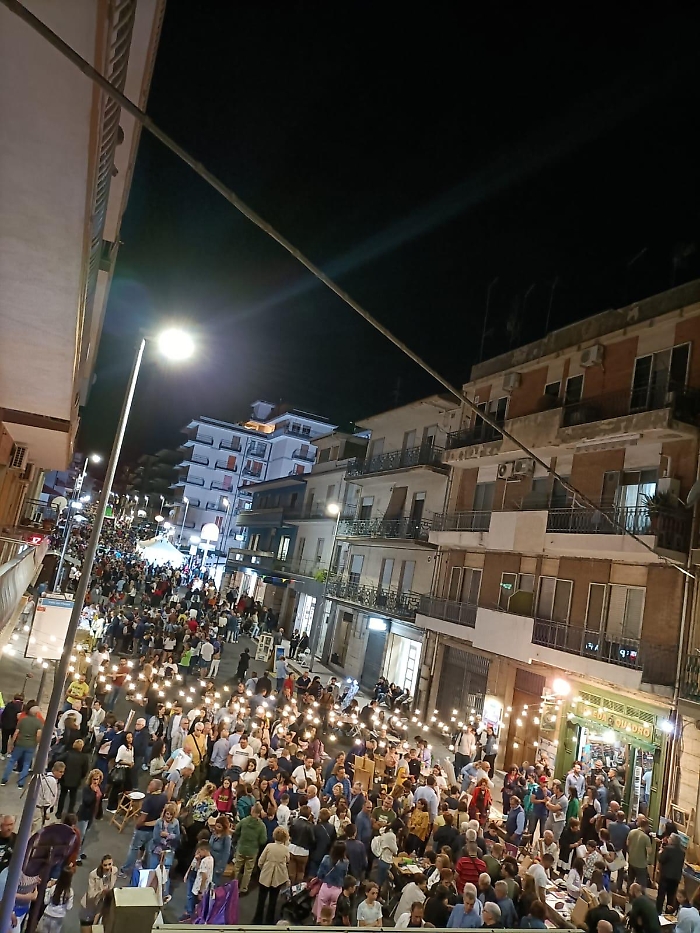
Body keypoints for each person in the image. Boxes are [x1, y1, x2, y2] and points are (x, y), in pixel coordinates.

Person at [120, 778, 167, 875]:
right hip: (154, 830)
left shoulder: (148, 800)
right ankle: (147, 871)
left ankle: (126, 869)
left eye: (150, 785)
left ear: (155, 787)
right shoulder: (164, 798)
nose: (148, 786)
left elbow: (142, 818)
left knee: (134, 849)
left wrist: (138, 825)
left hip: (143, 830)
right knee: (149, 850)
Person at [254, 826, 290, 923]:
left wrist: (264, 869)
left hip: (265, 876)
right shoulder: (286, 849)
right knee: (273, 901)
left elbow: (260, 861)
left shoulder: (269, 846)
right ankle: (269, 921)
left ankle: (257, 920)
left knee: (261, 900)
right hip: (278, 878)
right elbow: (287, 861)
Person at [1, 704, 41, 787]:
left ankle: (4, 779)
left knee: (12, 760)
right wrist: (36, 743)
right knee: (26, 764)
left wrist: (11, 743)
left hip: (20, 744)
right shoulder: (38, 723)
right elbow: (38, 735)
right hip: (31, 745)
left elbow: (16, 733)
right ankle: (21, 783)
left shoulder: (22, 720)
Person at [233, 802, 267, 894]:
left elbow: (236, 831)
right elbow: (263, 840)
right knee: (248, 871)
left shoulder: (244, 821)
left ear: (251, 810)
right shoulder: (262, 826)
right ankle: (243, 888)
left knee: (237, 867)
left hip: (241, 848)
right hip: (252, 851)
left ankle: (233, 886)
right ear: (260, 813)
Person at [80, 854, 117, 931]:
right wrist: (101, 892)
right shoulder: (93, 875)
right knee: (87, 929)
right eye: (105, 865)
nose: (107, 867)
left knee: (98, 928)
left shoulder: (114, 870)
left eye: (109, 864)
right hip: (90, 906)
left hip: (103, 906)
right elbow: (90, 894)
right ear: (101, 864)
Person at [315, 840, 350, 921]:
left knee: (321, 908)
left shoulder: (326, 859)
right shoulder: (345, 862)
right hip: (337, 889)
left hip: (326, 887)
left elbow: (320, 874)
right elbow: (344, 875)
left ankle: (320, 923)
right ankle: (330, 924)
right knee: (333, 909)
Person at [76, 769, 104, 863]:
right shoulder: (87, 789)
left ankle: (80, 852)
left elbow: (99, 802)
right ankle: (76, 856)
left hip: (92, 815)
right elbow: (86, 801)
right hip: (84, 815)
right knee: (80, 836)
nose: (96, 781)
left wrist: (99, 814)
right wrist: (93, 792)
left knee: (85, 835)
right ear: (91, 779)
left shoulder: (99, 788)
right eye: (94, 779)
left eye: (98, 779)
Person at [183, 842, 214, 921]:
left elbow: (204, 876)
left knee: (197, 902)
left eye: (200, 851)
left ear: (204, 850)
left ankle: (195, 917)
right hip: (205, 886)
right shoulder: (211, 859)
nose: (199, 853)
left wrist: (200, 891)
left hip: (199, 887)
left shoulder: (205, 861)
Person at [38, 868, 74, 933]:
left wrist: (47, 890)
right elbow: (69, 907)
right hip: (59, 916)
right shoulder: (70, 892)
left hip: (48, 914)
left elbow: (46, 901)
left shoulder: (53, 888)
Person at [657, 832, 685, 914]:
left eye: (669, 838)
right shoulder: (682, 852)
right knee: (671, 897)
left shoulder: (668, 849)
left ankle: (658, 913)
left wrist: (660, 852)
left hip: (665, 876)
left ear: (672, 841)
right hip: (675, 877)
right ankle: (668, 914)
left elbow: (661, 859)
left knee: (661, 896)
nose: (668, 839)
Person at [288, 804, 315, 883]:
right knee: (300, 872)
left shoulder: (294, 822)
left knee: (291, 872)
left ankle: (289, 889)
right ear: (309, 815)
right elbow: (312, 840)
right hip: (303, 852)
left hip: (292, 849)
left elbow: (290, 834)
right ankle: (297, 889)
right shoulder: (310, 826)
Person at [627, 816, 654, 891]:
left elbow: (627, 843)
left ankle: (629, 895)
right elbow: (649, 851)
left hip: (631, 860)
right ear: (646, 826)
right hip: (641, 864)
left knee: (630, 880)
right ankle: (640, 897)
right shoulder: (646, 837)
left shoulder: (631, 832)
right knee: (641, 883)